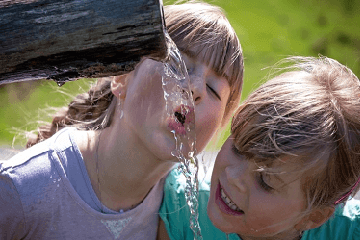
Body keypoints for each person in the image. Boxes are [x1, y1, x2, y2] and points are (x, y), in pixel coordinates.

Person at [0, 2, 244, 239]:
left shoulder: (187, 213)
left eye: (213, 89)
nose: (195, 88)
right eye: (176, 65)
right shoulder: (23, 190)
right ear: (120, 78)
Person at [159, 56, 360, 240]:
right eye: (238, 149)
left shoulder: (348, 233)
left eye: (265, 181)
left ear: (312, 217)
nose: (234, 177)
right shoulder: (180, 209)